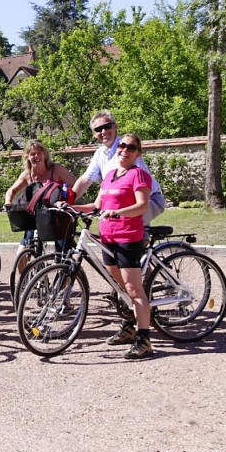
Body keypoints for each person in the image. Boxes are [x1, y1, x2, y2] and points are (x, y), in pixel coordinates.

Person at [62, 133, 154, 359]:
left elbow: (142, 206)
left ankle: (144, 340)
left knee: (133, 289)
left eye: (131, 148)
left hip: (128, 237)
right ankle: (130, 326)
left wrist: (118, 212)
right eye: (122, 145)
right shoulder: (110, 175)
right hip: (108, 238)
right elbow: (97, 205)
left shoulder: (138, 174)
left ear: (137, 153)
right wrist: (71, 206)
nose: (124, 150)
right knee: (120, 287)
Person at [72, 110, 165, 227]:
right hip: (124, 201)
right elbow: (86, 179)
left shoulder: (127, 148)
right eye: (98, 129)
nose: (103, 131)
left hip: (149, 199)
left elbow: (133, 185)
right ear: (94, 134)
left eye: (107, 126)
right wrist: (69, 201)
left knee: (126, 229)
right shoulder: (100, 153)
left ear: (115, 127)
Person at [4, 140, 76, 272]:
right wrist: (8, 202)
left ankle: (60, 288)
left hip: (57, 218)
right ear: (27, 156)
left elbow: (75, 185)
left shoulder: (56, 169)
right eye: (32, 154)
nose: (36, 156)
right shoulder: (27, 175)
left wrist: (66, 200)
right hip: (35, 219)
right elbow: (11, 191)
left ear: (44, 154)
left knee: (63, 257)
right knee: (20, 256)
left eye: (39, 153)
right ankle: (26, 286)